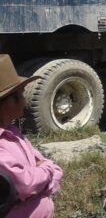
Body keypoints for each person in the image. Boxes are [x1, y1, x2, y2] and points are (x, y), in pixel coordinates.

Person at [0, 54, 63, 217]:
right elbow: (25, 185)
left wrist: (41, 173)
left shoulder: (13, 133)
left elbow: (54, 169)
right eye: (21, 95)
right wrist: (46, 170)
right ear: (8, 101)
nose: (24, 100)